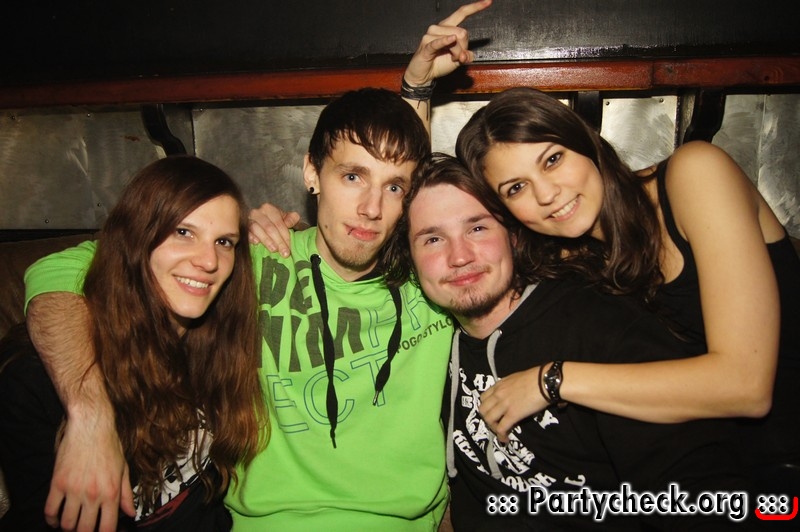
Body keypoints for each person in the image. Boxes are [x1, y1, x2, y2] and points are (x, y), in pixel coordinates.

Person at [21, 5, 490, 531]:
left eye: (393, 189)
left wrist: (417, 88)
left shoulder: (436, 275)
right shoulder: (243, 258)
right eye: (351, 177)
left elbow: (427, 186)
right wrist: (90, 413)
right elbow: (58, 271)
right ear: (311, 173)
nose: (371, 208)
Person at [451, 87, 800, 489]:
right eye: (516, 188)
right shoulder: (568, 260)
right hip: (702, 473)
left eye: (553, 159)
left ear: (586, 143)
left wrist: (552, 381)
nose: (546, 195)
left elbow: (746, 387)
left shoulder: (695, 174)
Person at [381, 153, 750, 530]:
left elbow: (698, 490)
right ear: (410, 259)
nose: (459, 257)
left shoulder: (600, 328)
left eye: (477, 228)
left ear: (512, 235)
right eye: (432, 239)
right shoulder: (428, 349)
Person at [0, 156, 267, 531]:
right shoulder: (39, 377)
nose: (209, 261)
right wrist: (91, 416)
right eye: (183, 232)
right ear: (137, 239)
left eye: (224, 241)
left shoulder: (215, 346)